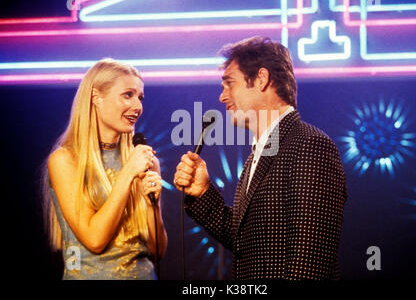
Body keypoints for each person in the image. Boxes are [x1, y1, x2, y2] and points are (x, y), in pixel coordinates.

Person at [174, 37, 347, 280]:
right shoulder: (263, 152)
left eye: (229, 84)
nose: (222, 97)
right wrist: (203, 193)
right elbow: (246, 242)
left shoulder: (309, 145)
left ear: (261, 79)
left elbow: (310, 264)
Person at [42, 58, 167, 280]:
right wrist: (128, 173)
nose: (138, 106)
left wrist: (152, 207)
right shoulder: (65, 160)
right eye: (128, 95)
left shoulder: (145, 161)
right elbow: (95, 240)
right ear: (96, 97)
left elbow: (158, 251)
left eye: (140, 97)